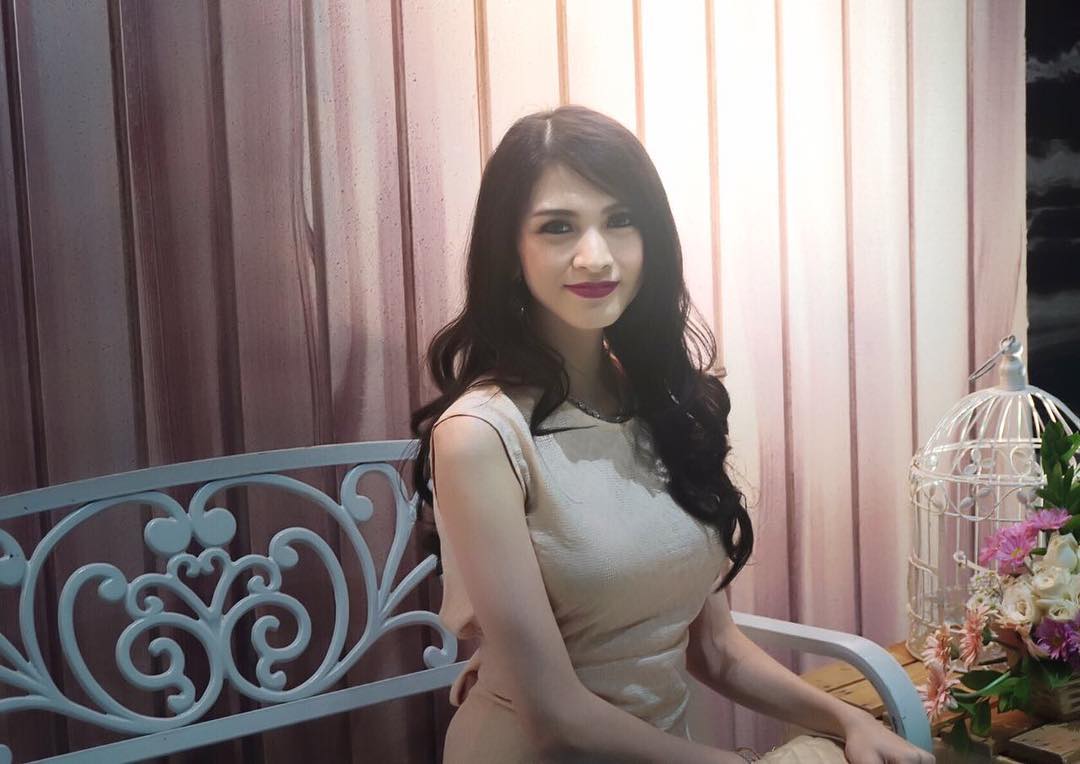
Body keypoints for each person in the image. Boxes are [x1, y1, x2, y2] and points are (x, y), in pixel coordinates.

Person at [408, 105, 933, 763]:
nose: (596, 256)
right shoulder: (480, 437)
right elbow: (556, 719)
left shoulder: (661, 405)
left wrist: (849, 721)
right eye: (558, 227)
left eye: (620, 220)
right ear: (509, 252)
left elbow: (715, 648)